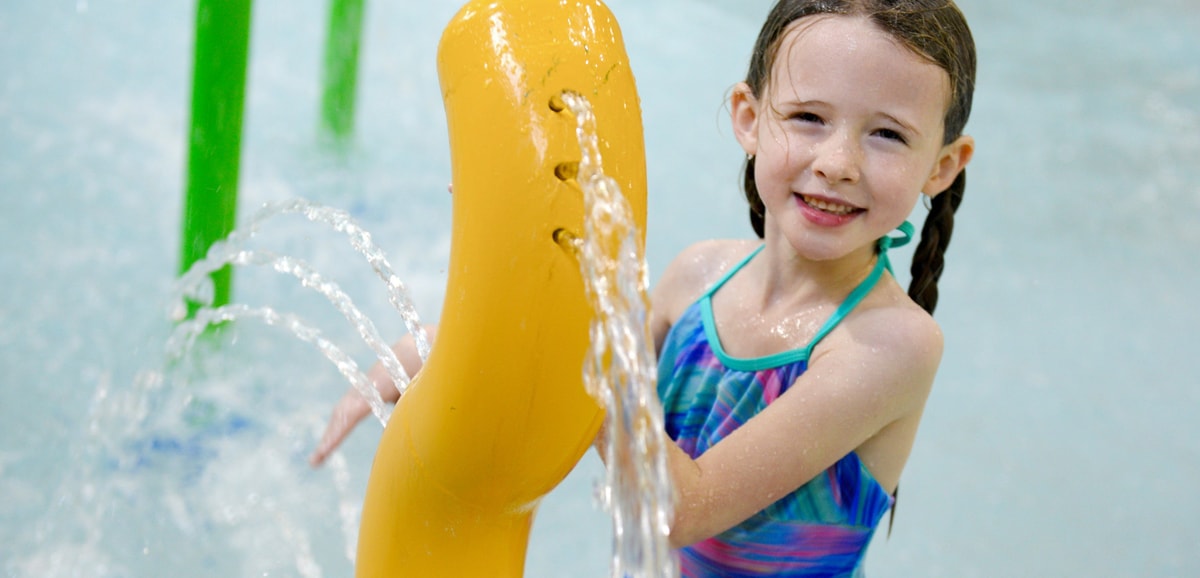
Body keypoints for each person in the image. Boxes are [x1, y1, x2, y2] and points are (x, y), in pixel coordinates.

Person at [311, 0, 975, 575]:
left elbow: (676, 505)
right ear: (748, 116)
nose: (837, 163)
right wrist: (452, 340)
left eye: (887, 134)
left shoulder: (891, 345)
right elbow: (582, 410)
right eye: (807, 117)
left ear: (942, 166)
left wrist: (572, 281)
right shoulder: (699, 277)